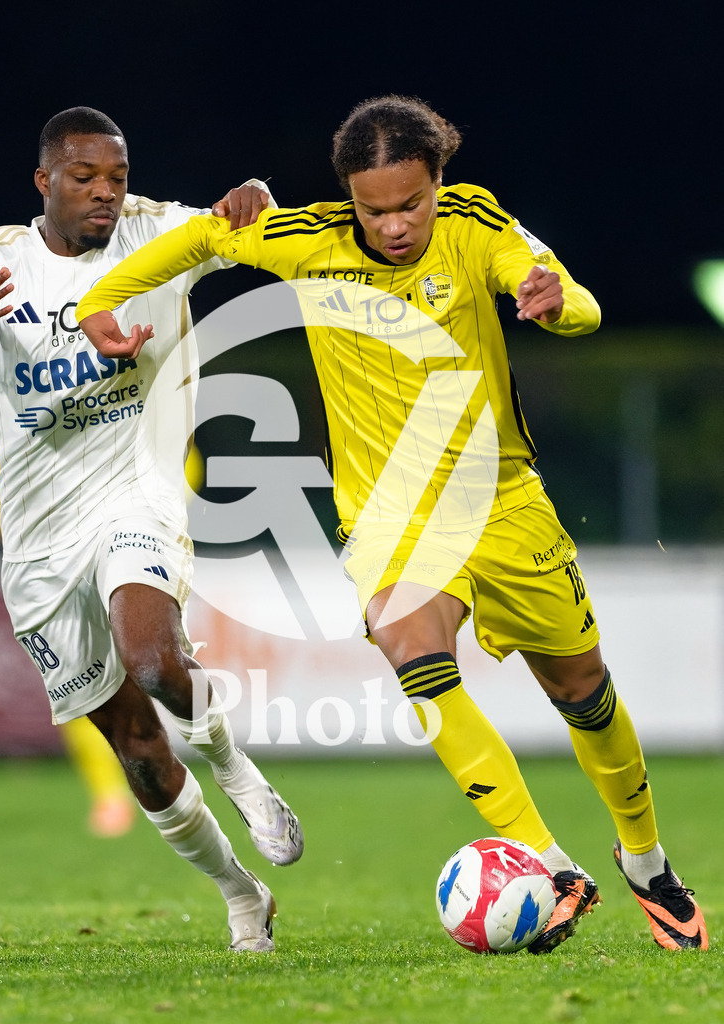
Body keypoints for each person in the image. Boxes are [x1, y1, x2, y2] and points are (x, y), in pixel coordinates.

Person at [75, 95, 708, 954]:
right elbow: (197, 241)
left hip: (503, 502)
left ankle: (646, 861)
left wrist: (557, 303)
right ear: (349, 196)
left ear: (437, 182)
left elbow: (580, 304)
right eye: (375, 210)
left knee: (581, 694)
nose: (395, 225)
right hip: (388, 519)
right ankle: (552, 865)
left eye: (411, 205)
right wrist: (101, 305)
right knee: (407, 643)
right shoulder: (308, 241)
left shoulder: (479, 225)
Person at [0, 106, 303, 953]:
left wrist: (258, 194)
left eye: (117, 178)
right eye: (86, 178)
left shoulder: (155, 234)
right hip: (39, 540)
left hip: (138, 493)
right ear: (44, 181)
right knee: (136, 747)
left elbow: (250, 230)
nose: (105, 193)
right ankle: (242, 894)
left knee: (154, 659)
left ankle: (238, 771)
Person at [0, 425, 136, 838]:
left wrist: (154, 517)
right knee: (79, 675)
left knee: (148, 666)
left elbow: (183, 459)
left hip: (130, 546)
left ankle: (190, 778)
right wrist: (13, 530)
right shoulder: (18, 396)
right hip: (51, 562)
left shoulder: (132, 380)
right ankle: (111, 794)